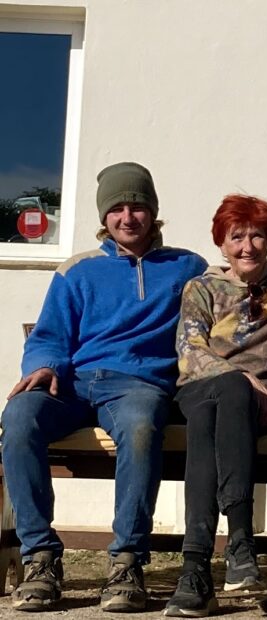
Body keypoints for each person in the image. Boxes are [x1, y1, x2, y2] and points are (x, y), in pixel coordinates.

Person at [0, 162, 208, 613]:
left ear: (153, 212)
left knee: (139, 427)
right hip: (71, 383)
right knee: (17, 417)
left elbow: (227, 302)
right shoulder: (77, 270)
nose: (127, 217)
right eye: (117, 208)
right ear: (104, 217)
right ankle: (40, 558)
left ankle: (127, 561)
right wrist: (43, 365)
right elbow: (51, 335)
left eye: (137, 206)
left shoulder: (187, 267)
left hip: (138, 384)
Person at [164, 194, 267, 617]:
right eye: (237, 237)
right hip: (205, 387)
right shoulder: (202, 288)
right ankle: (240, 541)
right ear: (221, 242)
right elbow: (189, 349)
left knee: (215, 415)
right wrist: (240, 377)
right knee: (227, 393)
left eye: (258, 236)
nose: (247, 246)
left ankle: (194, 572)